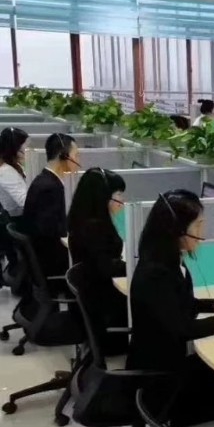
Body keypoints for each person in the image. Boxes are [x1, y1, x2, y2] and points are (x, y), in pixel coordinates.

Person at [125, 190, 214, 427]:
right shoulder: (155, 274)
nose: (202, 234)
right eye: (198, 226)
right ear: (177, 230)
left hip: (166, 362)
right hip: (160, 378)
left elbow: (180, 304)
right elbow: (183, 329)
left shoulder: (167, 261)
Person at [67, 168, 128, 353]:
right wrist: (137, 265)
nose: (123, 200)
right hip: (106, 316)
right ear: (103, 197)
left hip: (94, 305)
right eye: (119, 194)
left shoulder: (83, 220)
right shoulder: (95, 229)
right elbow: (106, 268)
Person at [22, 133, 78, 278]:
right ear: (63, 156)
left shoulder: (46, 180)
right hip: (52, 264)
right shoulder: (50, 188)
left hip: (44, 258)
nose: (78, 161)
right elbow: (53, 232)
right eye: (76, 155)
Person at [0, 127, 29, 217]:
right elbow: (25, 202)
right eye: (25, 148)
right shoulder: (5, 172)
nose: (27, 151)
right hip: (18, 219)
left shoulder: (14, 165)